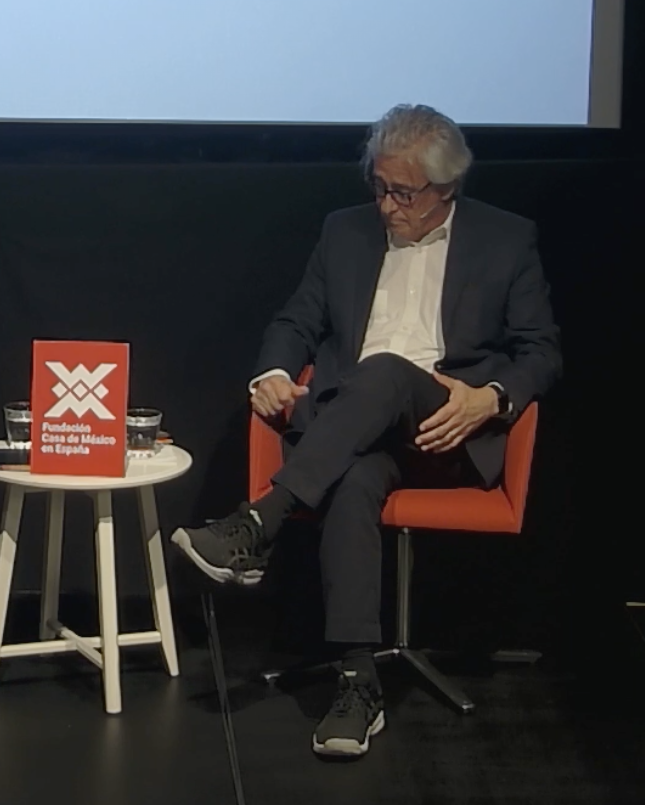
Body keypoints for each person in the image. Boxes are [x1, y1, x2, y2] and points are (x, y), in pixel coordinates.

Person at [171, 104, 559, 759]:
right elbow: (296, 320)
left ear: (446, 188)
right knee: (353, 479)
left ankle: (260, 522)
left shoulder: (505, 238)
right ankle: (358, 683)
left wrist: (490, 399)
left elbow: (541, 352)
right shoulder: (344, 231)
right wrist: (272, 371)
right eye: (378, 187)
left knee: (385, 370)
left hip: (444, 428)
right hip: (350, 433)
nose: (385, 205)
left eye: (402, 193)